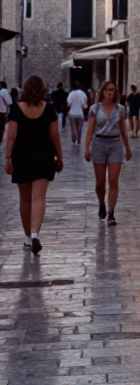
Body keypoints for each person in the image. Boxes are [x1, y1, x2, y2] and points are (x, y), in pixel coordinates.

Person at [4, 74, 62, 255]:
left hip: (21, 155)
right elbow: (54, 135)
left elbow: (11, 135)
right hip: (44, 155)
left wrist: (8, 157)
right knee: (39, 198)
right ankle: (36, 233)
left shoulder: (15, 109)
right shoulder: (49, 109)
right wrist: (60, 157)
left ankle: (28, 237)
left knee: (25, 199)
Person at [85, 80, 131, 225]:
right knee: (100, 182)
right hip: (99, 144)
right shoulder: (95, 109)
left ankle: (111, 213)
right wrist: (87, 147)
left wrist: (127, 148)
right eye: (108, 90)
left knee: (113, 181)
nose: (111, 92)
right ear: (103, 91)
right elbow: (90, 130)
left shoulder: (120, 109)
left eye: (113, 90)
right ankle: (101, 203)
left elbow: (123, 129)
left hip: (115, 145)